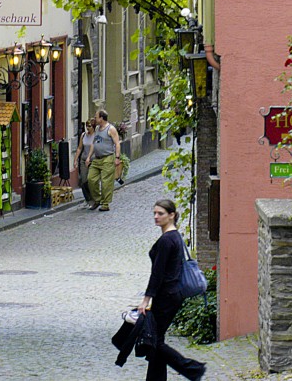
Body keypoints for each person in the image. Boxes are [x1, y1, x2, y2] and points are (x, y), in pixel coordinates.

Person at [138, 199, 206, 381]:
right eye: (154, 213)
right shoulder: (175, 236)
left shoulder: (167, 240)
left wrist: (146, 300)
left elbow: (157, 274)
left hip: (166, 296)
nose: (156, 217)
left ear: (172, 215)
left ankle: (192, 368)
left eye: (160, 213)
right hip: (172, 294)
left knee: (156, 341)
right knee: (156, 340)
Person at [85, 109, 123, 212]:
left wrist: (117, 158)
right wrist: (89, 157)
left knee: (106, 183)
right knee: (91, 179)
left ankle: (105, 204)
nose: (95, 118)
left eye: (96, 117)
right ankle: (97, 199)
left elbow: (117, 144)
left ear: (102, 118)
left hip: (107, 158)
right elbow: (94, 143)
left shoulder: (111, 129)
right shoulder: (97, 128)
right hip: (97, 159)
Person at [74, 120, 95, 208]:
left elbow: (92, 147)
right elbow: (79, 148)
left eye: (89, 126)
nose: (88, 128)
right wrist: (75, 160)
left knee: (91, 180)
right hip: (83, 159)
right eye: (87, 126)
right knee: (83, 180)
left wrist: (89, 158)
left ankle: (94, 199)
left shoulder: (96, 136)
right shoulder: (83, 135)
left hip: (93, 160)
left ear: (93, 127)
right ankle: (88, 199)